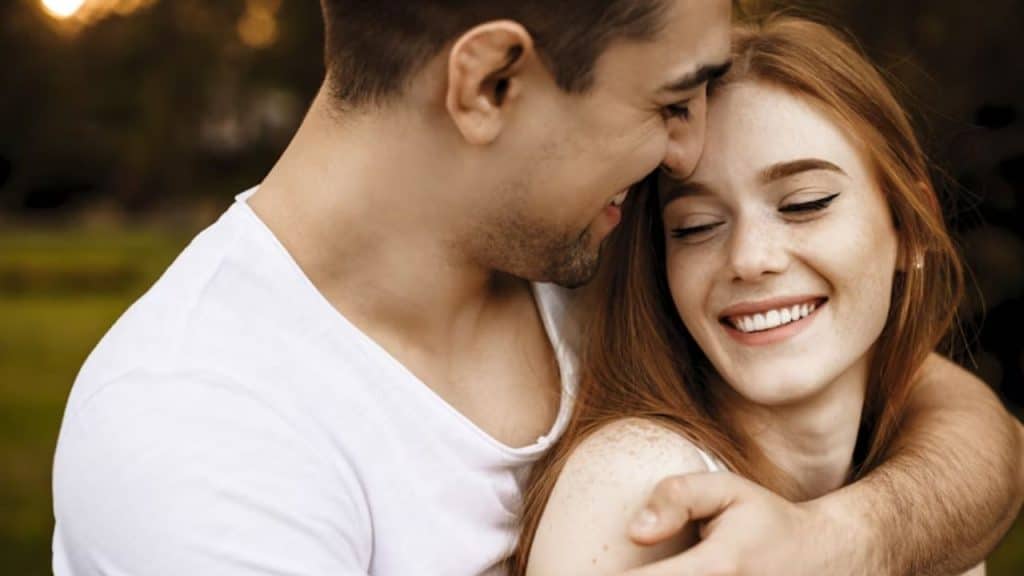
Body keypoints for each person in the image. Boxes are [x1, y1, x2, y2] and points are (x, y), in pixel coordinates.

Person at [52, 1, 1020, 575]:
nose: (685, 149)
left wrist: (842, 540)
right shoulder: (194, 429)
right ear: (491, 83)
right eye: (668, 102)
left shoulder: (598, 261)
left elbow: (943, 401)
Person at [516, 14, 1009, 575]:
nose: (750, 259)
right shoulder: (643, 486)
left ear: (911, 228)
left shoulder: (920, 496)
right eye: (696, 226)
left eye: (805, 203)